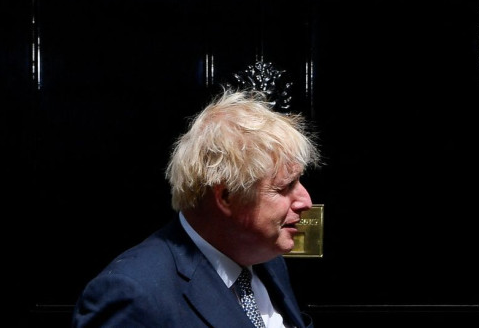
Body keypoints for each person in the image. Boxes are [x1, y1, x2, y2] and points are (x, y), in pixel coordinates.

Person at [71, 89, 320, 327]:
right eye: (283, 188)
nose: (306, 201)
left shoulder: (267, 258)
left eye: (298, 181)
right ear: (226, 197)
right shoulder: (132, 294)